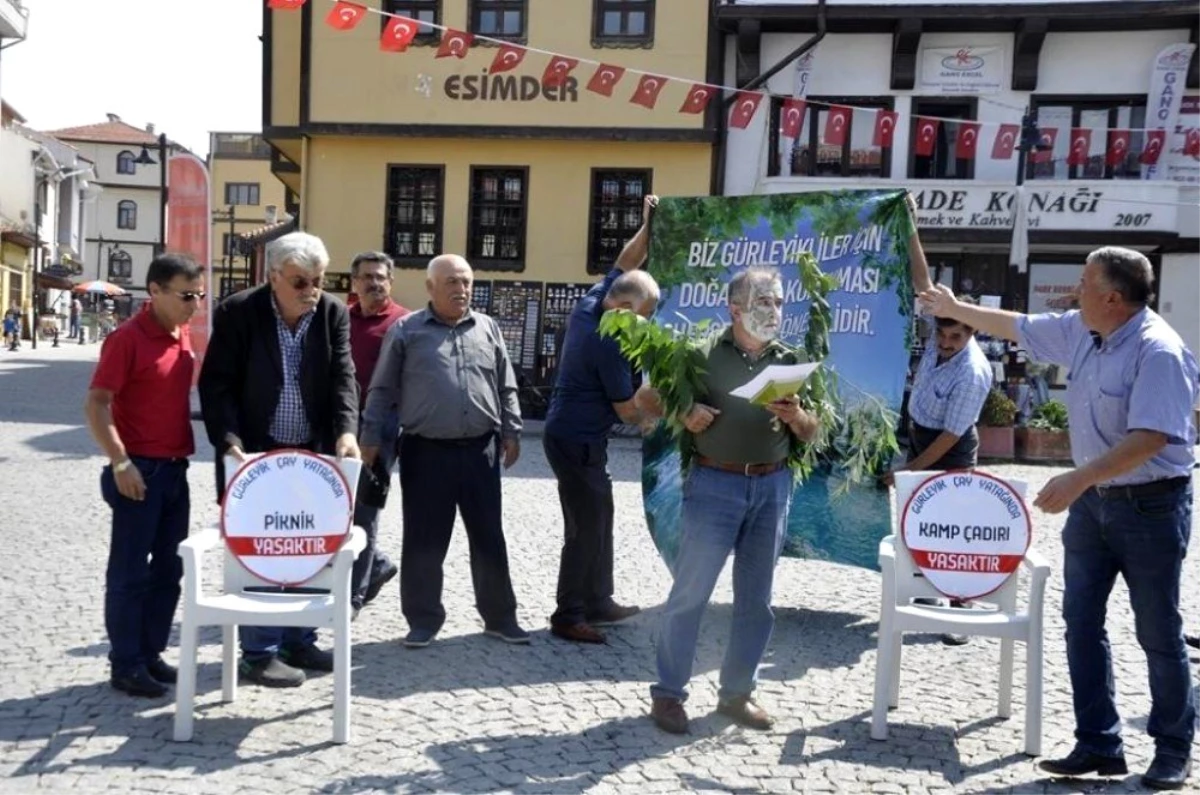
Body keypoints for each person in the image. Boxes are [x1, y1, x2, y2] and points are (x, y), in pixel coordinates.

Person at [920, 246, 1197, 791]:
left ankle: (1173, 749)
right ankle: (1099, 743)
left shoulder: (1157, 350)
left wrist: (1077, 479)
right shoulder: (1083, 330)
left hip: (1151, 505)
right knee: (1082, 626)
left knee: (1158, 632)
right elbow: (1017, 325)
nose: (1075, 290)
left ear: (1112, 298)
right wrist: (957, 306)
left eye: (1084, 282)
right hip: (1095, 507)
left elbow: (1151, 439)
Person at [636, 266, 819, 735]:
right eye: (764, 302)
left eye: (779, 302)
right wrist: (685, 410)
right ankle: (668, 696)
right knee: (690, 596)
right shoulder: (700, 354)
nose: (775, 311)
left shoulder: (790, 358)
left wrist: (797, 415)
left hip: (772, 488)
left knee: (756, 601)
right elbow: (646, 397)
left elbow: (811, 432)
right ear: (734, 309)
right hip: (714, 486)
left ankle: (738, 694)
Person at [198, 231, 361, 688]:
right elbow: (218, 383)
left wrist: (347, 431)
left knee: (308, 546)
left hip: (309, 453)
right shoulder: (239, 312)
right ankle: (258, 652)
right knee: (261, 551)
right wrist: (228, 439)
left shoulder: (331, 312)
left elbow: (344, 377)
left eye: (318, 279)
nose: (311, 289)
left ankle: (298, 639)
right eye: (300, 281)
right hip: (254, 453)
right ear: (273, 277)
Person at [361, 254, 528, 649]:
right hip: (426, 451)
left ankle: (500, 617)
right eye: (452, 282)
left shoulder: (487, 327)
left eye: (467, 281)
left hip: (480, 451)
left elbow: (506, 383)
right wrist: (370, 437)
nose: (462, 289)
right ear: (431, 288)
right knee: (424, 540)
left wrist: (512, 430)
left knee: (489, 537)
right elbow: (382, 388)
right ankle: (423, 619)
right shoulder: (407, 331)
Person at [83, 253, 204, 697]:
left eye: (199, 295)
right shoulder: (127, 339)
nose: (195, 304)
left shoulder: (183, 332)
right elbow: (96, 403)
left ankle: (150, 653)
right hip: (138, 471)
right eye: (186, 295)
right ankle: (126, 663)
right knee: (130, 573)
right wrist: (120, 461)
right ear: (154, 291)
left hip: (175, 470)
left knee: (170, 570)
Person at [543, 195, 660, 644]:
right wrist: (666, 399)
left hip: (576, 436)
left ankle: (599, 600)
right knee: (584, 528)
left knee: (601, 517)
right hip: (575, 441)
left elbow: (624, 261)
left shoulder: (597, 300)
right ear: (625, 311)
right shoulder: (610, 339)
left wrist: (648, 225)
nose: (645, 326)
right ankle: (569, 614)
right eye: (644, 318)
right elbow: (629, 410)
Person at [883, 194, 994, 647]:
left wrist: (910, 469)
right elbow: (922, 279)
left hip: (951, 451)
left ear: (970, 332)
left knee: (955, 530)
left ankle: (958, 614)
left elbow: (951, 435)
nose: (945, 341)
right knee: (918, 522)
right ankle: (927, 593)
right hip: (921, 434)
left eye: (955, 335)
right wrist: (909, 222)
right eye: (942, 333)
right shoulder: (937, 334)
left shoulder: (974, 372)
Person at [347, 251, 409, 619]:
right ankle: (378, 563)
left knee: (366, 509)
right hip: (342, 425)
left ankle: (353, 595)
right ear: (354, 282)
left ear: (390, 282)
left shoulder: (403, 324)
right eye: (366, 276)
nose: (374, 283)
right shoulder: (340, 319)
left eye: (380, 277)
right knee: (337, 506)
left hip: (383, 428)